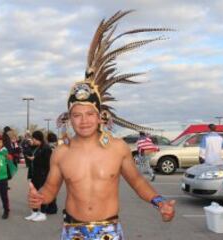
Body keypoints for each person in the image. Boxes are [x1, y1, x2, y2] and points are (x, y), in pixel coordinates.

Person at [28, 11, 175, 239]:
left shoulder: (117, 148)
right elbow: (51, 188)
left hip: (109, 231)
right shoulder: (61, 152)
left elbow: (137, 181)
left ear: (100, 117)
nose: (84, 120)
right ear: (69, 118)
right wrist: (40, 197)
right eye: (77, 114)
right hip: (72, 231)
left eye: (89, 113)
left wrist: (159, 201)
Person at [25, 130, 52, 222]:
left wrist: (34, 159)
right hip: (35, 174)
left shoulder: (46, 148)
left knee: (41, 194)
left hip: (43, 175)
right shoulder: (37, 147)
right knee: (33, 194)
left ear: (38, 138)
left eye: (34, 138)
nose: (33, 140)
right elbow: (28, 150)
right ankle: (34, 212)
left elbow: (47, 163)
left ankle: (43, 213)